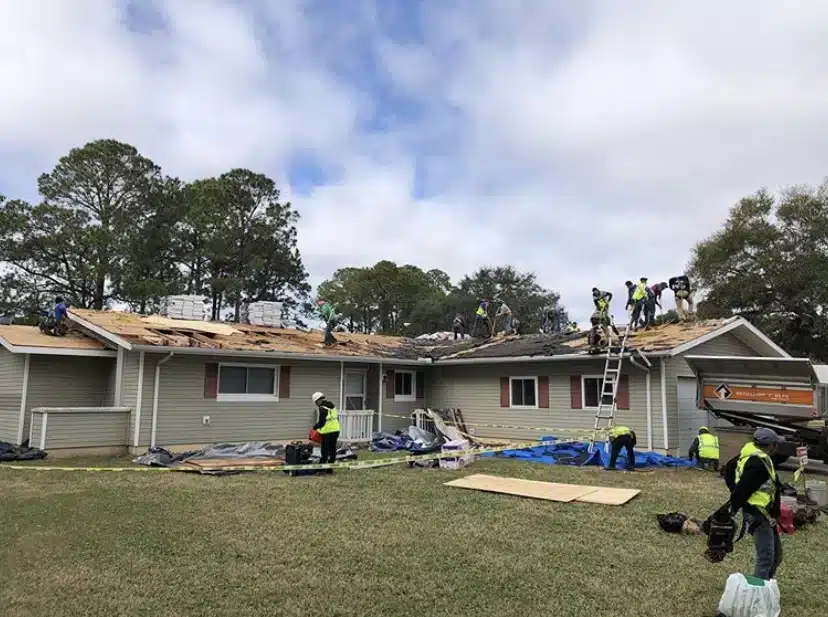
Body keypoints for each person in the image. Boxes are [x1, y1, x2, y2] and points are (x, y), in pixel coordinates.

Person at [727, 428, 783, 580]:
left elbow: (729, 468)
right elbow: (741, 489)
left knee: (776, 556)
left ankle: (766, 588)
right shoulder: (757, 464)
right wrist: (737, 503)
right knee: (765, 557)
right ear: (771, 445)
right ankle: (758, 594)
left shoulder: (754, 456)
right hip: (758, 514)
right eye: (776, 445)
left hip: (766, 514)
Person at [311, 391, 340, 473]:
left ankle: (320, 470)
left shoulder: (322, 408)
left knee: (325, 451)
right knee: (333, 450)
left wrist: (314, 428)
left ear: (319, 400)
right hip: (336, 430)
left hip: (327, 432)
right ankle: (330, 469)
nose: (316, 404)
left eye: (316, 402)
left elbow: (321, 422)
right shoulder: (332, 406)